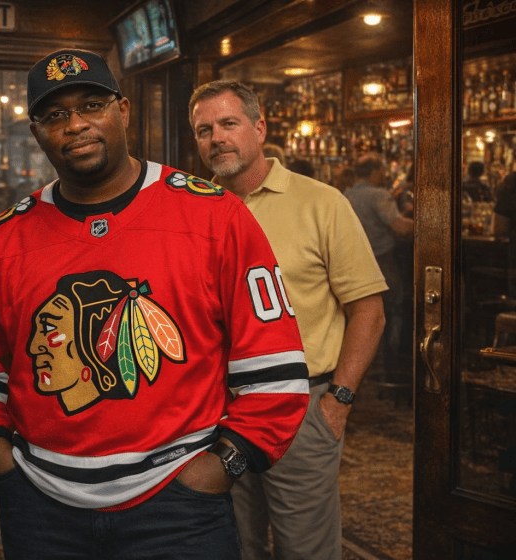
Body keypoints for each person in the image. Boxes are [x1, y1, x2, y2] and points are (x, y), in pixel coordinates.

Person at [0, 48, 310, 560]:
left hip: (180, 508)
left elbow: (275, 372)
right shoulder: (1, 241)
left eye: (92, 105)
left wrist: (218, 470)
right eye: (55, 115)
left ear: (124, 111)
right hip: (41, 511)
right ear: (37, 131)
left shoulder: (214, 217)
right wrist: (9, 475)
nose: (76, 125)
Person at [189, 79, 387, 560]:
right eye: (203, 130)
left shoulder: (321, 202)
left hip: (303, 407)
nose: (216, 138)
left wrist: (338, 400)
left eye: (229, 124)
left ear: (259, 127)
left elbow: (369, 309)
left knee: (307, 550)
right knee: (234, 545)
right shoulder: (194, 211)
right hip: (218, 411)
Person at [345, 154, 414, 374]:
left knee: (359, 314)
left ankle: (363, 367)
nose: (384, 174)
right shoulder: (378, 195)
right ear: (374, 172)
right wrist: (430, 222)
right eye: (382, 170)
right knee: (392, 312)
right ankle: (390, 366)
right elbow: (400, 227)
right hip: (381, 262)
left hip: (351, 264)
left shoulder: (346, 195)